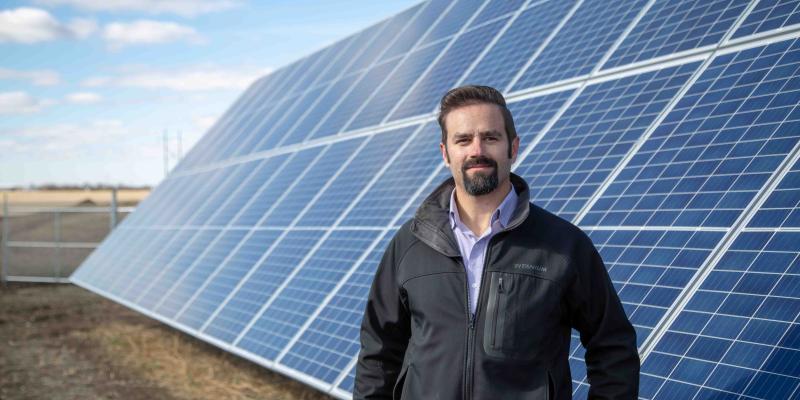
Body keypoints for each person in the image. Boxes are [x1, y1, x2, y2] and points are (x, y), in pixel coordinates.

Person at [354, 85, 639, 399]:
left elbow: (612, 347)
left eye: (490, 137)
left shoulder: (564, 246)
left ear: (512, 148)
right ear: (445, 153)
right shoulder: (410, 243)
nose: (477, 150)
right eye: (463, 140)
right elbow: (379, 352)